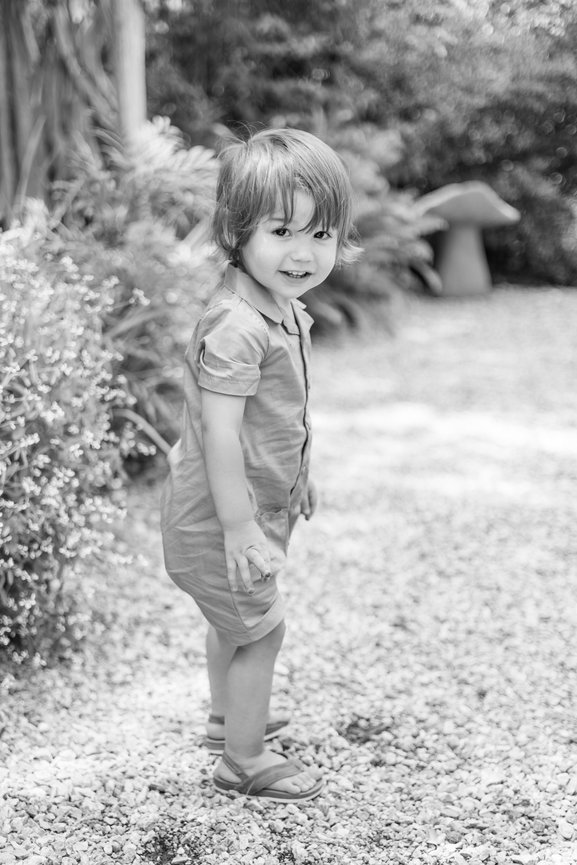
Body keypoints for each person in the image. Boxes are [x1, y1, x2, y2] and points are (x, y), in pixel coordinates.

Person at [160, 127, 359, 802]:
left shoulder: (277, 307)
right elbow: (220, 434)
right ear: (235, 231)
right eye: (282, 231)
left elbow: (279, 417)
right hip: (221, 515)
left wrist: (300, 476)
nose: (304, 253)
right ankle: (242, 758)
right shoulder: (238, 326)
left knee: (236, 620)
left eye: (321, 234)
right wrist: (240, 528)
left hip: (251, 504)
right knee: (263, 626)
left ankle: (228, 717)